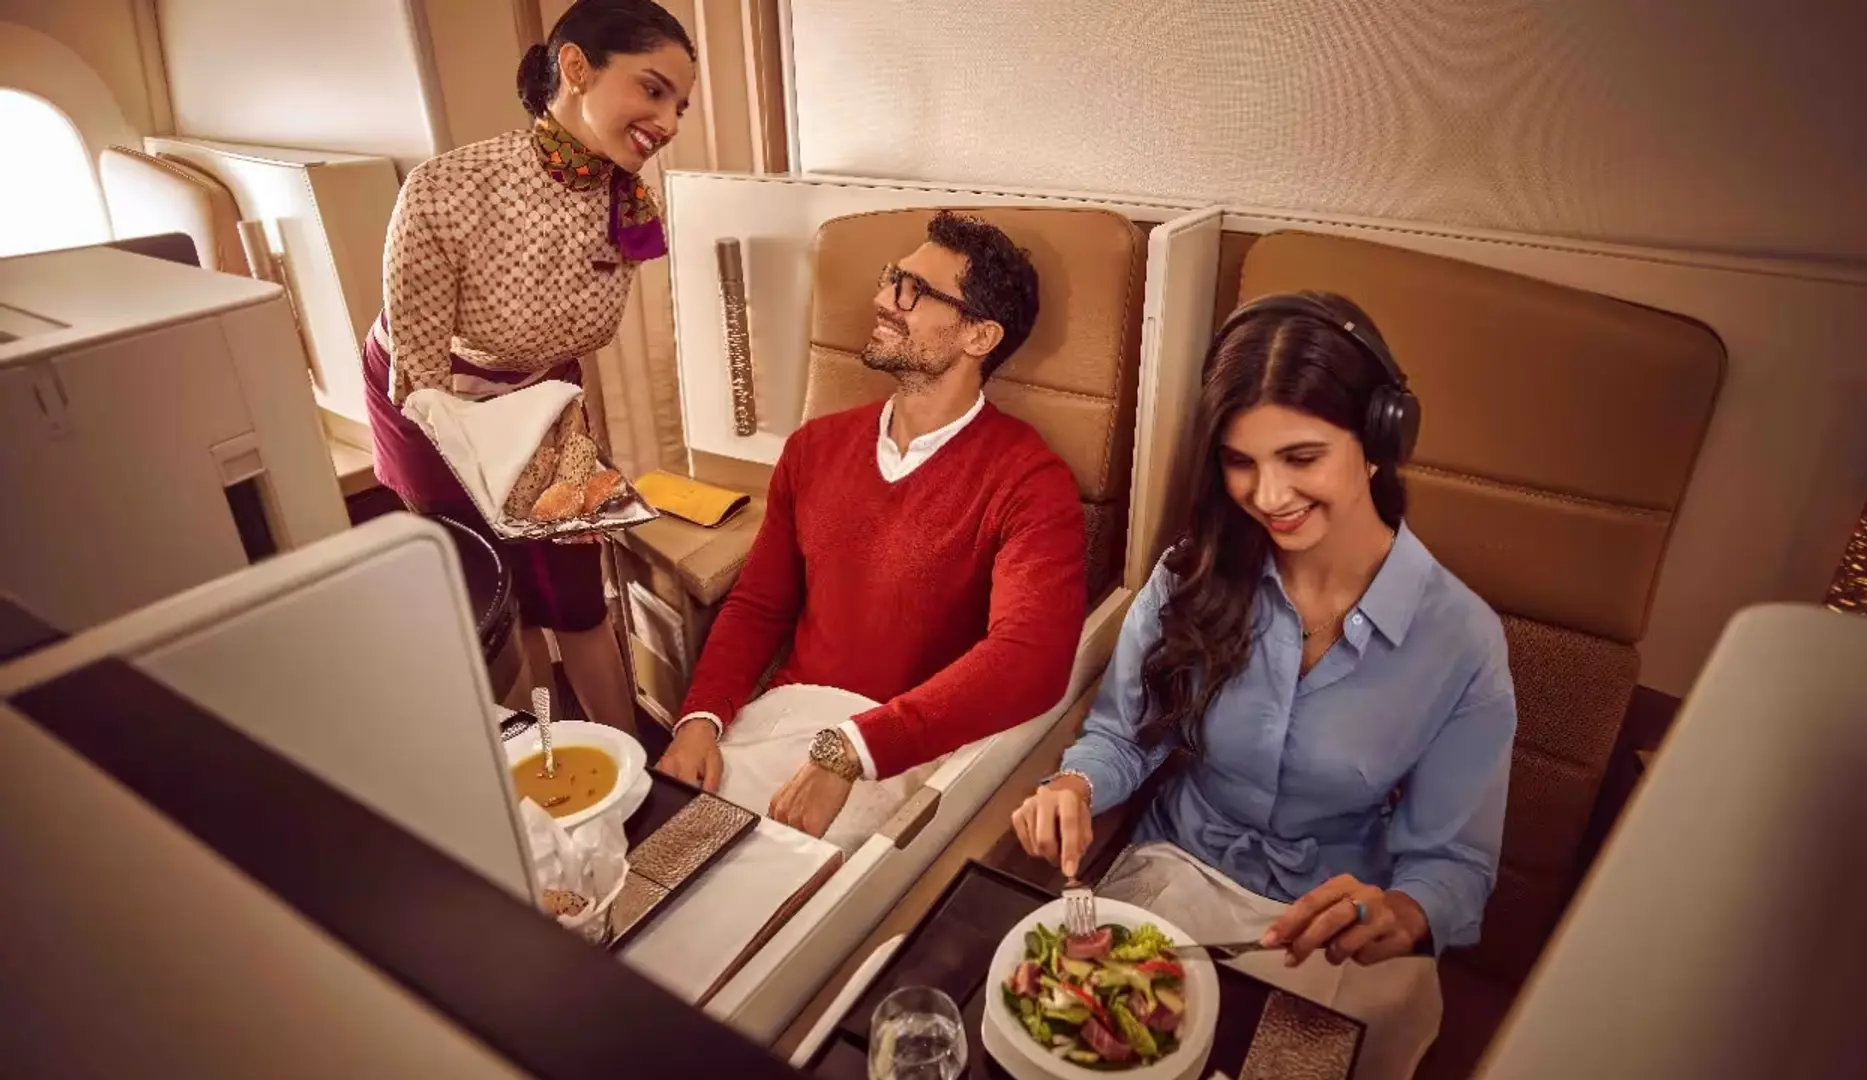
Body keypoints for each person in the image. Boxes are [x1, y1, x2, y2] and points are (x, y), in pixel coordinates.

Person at [1011, 293, 1516, 1080]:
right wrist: (1074, 783)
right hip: (1172, 881)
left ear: (1381, 440)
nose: (1268, 496)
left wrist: (1407, 909)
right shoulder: (1195, 574)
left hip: (1330, 927)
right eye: (1241, 462)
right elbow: (1123, 735)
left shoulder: (1463, 641)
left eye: (1301, 458)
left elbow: (1453, 862)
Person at [656, 211, 1086, 849]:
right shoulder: (814, 448)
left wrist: (853, 749)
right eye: (892, 279)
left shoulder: (1030, 481)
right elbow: (759, 605)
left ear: (979, 336)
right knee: (643, 866)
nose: (883, 299)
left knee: (765, 917)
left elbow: (1031, 660)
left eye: (913, 291)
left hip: (902, 751)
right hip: (779, 720)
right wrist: (700, 719)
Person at [362, 0, 698, 738]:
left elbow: (574, 338)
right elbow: (421, 379)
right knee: (494, 588)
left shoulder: (628, 200)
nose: (670, 121)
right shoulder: (446, 188)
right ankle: (540, 751)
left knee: (574, 590)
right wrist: (502, 484)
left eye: (680, 104)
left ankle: (629, 760)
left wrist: (543, 450)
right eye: (652, 90)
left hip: (540, 392)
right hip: (434, 400)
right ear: (576, 69)